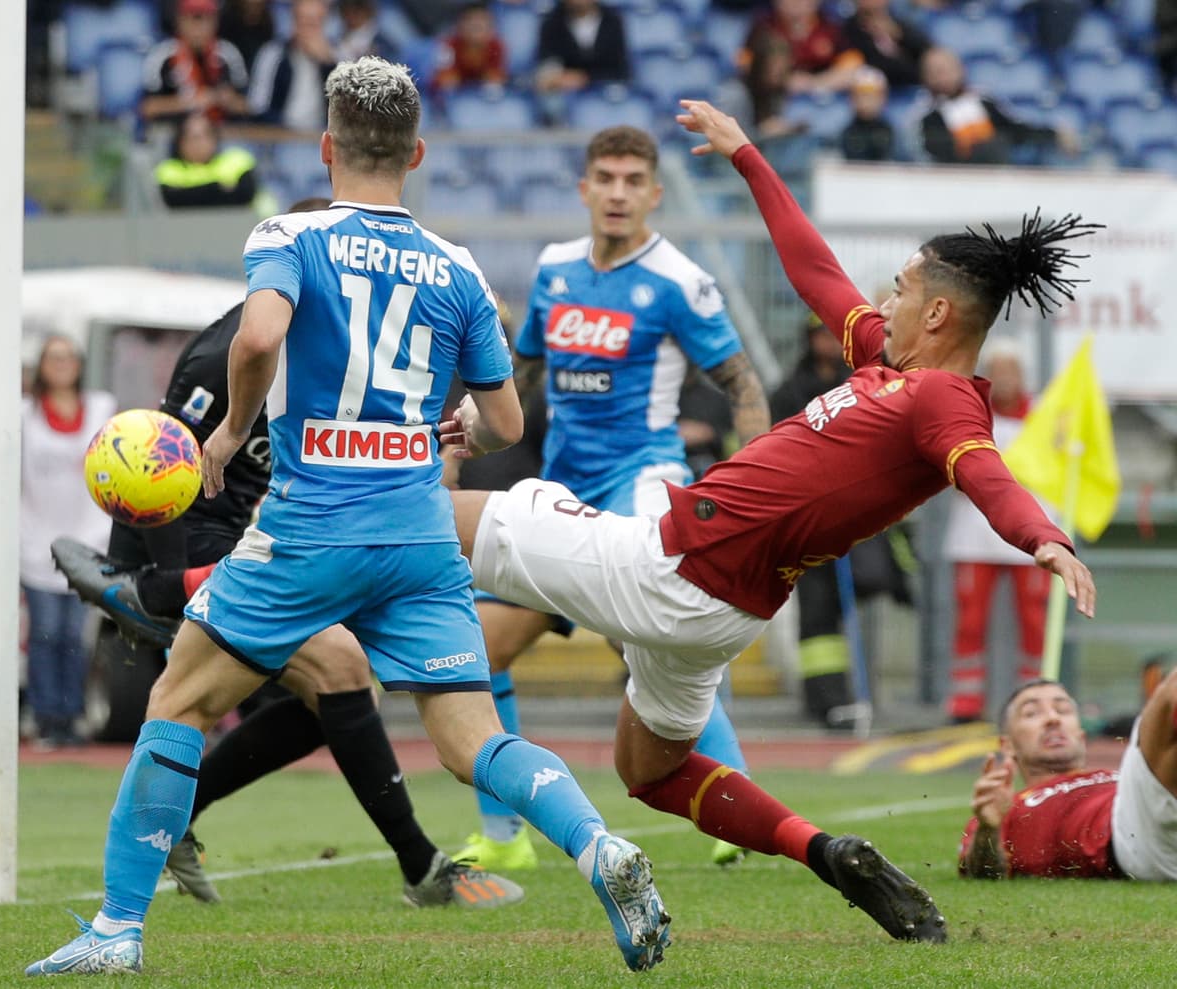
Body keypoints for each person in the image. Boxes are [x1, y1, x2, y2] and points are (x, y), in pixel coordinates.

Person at [27, 57, 670, 976]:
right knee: (472, 738)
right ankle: (600, 845)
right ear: (416, 152)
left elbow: (256, 336)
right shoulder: (455, 266)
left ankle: (116, 931)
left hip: (311, 523)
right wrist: (462, 431)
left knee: (177, 697)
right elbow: (508, 421)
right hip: (417, 528)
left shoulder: (289, 233)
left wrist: (228, 434)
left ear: (327, 148)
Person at [442, 97, 1101, 942]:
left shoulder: (939, 398)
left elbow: (983, 470)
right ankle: (824, 850)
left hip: (668, 560)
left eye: (899, 290)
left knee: (423, 513)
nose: (883, 303)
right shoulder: (887, 368)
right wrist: (749, 156)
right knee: (648, 771)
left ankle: (255, 590)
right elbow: (815, 272)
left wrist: (1042, 536)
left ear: (937, 314)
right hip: (718, 612)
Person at [54, 196, 524, 911]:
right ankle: (421, 864)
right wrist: (167, 587)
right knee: (338, 669)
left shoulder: (331, 349)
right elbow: (160, 470)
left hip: (287, 536)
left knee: (326, 704)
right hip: (217, 540)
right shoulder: (226, 352)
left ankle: (189, 816)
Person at [454, 124, 772, 873]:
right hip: (562, 493)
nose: (620, 192)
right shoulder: (557, 267)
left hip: (641, 486)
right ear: (585, 188)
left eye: (634, 180)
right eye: (607, 177)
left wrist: (750, 483)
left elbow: (744, 386)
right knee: (481, 643)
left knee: (655, 647)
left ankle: (736, 812)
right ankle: (504, 838)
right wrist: (466, 430)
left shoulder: (678, 280)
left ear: (655, 193)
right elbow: (523, 373)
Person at [769, 312, 911, 729]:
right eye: (818, 335)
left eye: (832, 336)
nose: (826, 343)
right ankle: (825, 699)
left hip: (857, 517)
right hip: (806, 519)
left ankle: (864, 693)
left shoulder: (864, 384)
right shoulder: (789, 391)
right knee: (816, 612)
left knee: (865, 602)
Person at [959, 675, 1177, 880]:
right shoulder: (1003, 811)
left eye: (1062, 710)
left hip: (1156, 820)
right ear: (1007, 746)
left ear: (1081, 737)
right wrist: (989, 827)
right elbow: (981, 873)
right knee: (1170, 690)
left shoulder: (1114, 778)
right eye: (1031, 713)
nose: (1053, 719)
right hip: (1131, 841)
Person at [941, 343, 1051, 724]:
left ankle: (1034, 698)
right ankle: (965, 702)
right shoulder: (968, 413)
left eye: (1012, 370)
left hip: (1029, 537)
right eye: (997, 370)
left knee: (1035, 620)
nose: (1005, 379)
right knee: (970, 621)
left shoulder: (1046, 417)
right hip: (974, 534)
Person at [20, 336, 116, 748]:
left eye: (67, 357)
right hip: (35, 539)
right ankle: (47, 716)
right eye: (52, 357)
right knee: (45, 630)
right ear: (40, 365)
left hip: (88, 539)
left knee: (77, 634)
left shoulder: (101, 409)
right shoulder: (24, 414)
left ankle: (72, 714)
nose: (60, 365)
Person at [918, 46, 1078, 166]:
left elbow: (1014, 129)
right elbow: (931, 150)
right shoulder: (924, 114)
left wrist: (1053, 134)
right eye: (935, 72)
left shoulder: (982, 100)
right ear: (925, 77)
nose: (942, 77)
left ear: (960, 70)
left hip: (996, 168)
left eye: (947, 70)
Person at [141, 0, 249, 129]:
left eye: (205, 19)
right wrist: (192, 101)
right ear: (179, 21)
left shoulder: (228, 53)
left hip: (223, 131)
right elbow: (148, 108)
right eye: (193, 19)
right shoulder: (162, 55)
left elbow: (248, 106)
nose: (198, 28)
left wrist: (226, 100)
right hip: (172, 132)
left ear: (215, 22)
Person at [534, 0, 630, 124]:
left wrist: (584, 78)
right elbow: (547, 63)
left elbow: (620, 69)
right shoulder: (551, 23)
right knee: (551, 104)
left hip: (603, 89)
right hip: (567, 94)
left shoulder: (613, 21)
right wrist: (555, 78)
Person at [247, 0, 336, 133]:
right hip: (280, 135)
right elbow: (257, 107)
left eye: (313, 24)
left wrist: (328, 66)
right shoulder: (272, 54)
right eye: (302, 22)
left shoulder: (338, 57)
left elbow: (347, 110)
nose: (306, 30)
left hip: (321, 135)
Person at [155, 112, 263, 210]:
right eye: (193, 137)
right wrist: (220, 187)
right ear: (180, 142)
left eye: (204, 136)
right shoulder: (168, 168)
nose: (198, 143)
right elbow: (174, 200)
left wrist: (192, 191)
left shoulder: (237, 160)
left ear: (214, 138)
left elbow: (245, 196)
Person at [841, 0, 932, 91]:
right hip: (879, 90)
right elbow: (875, 64)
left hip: (913, 87)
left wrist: (899, 35)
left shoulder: (899, 23)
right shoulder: (851, 30)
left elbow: (926, 52)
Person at [433, 3, 509, 94]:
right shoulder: (448, 46)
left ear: (491, 27)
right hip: (455, 95)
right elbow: (444, 79)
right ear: (459, 25)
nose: (476, 25)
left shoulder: (497, 46)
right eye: (470, 20)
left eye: (481, 21)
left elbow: (496, 78)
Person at [839, 67, 896, 163]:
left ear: (884, 97)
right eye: (860, 94)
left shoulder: (894, 132)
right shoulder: (841, 131)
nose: (865, 100)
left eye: (871, 94)